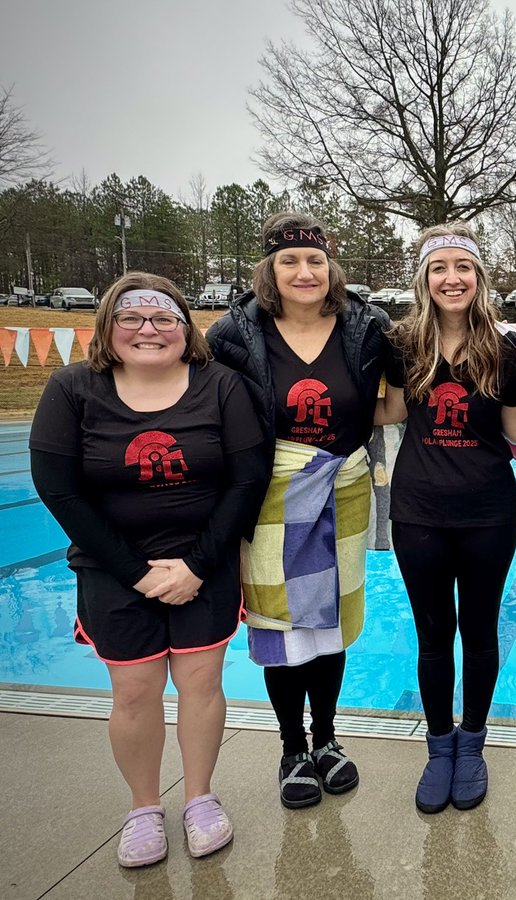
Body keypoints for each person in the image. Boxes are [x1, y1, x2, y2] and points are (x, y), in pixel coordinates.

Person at [30, 273, 268, 867]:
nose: (148, 329)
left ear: (186, 330)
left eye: (164, 319)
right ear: (108, 328)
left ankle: (199, 797)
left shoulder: (222, 387)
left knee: (200, 685)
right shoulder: (73, 389)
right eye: (132, 318)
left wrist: (196, 564)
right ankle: (142, 807)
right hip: (113, 569)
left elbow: (246, 479)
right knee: (134, 692)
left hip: (203, 564)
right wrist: (136, 572)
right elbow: (59, 491)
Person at [207, 212, 390, 810]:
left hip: (343, 486)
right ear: (269, 269)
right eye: (289, 261)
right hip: (269, 493)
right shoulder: (233, 336)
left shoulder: (366, 327)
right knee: (280, 625)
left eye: (315, 260)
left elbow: (395, 403)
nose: (304, 271)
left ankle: (328, 739)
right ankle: (292, 749)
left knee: (330, 622)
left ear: (330, 264)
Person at [376, 222, 516, 814]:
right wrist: (301, 412)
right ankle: (438, 745)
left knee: (478, 629)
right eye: (440, 267)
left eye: (464, 268)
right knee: (431, 636)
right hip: (418, 512)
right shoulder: (402, 345)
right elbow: (392, 409)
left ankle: (472, 741)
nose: (453, 278)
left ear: (479, 278)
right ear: (424, 277)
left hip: (488, 513)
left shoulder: (502, 351)